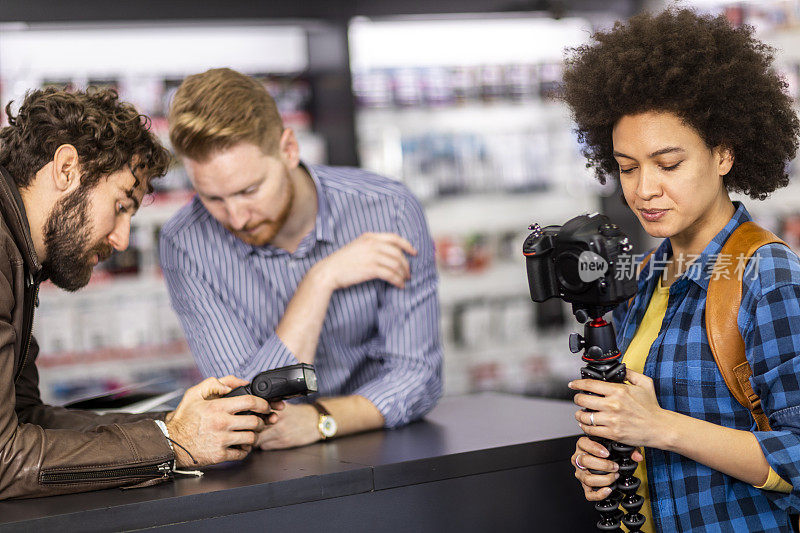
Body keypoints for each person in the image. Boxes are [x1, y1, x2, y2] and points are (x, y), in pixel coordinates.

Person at [561, 8, 800, 532]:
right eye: (626, 167)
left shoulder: (767, 274)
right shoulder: (644, 276)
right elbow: (637, 430)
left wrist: (659, 427)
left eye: (668, 164)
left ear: (723, 154)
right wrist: (601, 461)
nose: (644, 188)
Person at [0, 87, 279, 500]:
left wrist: (181, 425)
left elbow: (26, 422)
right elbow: (6, 459)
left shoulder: (18, 258)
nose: (121, 239)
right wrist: (172, 443)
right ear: (66, 168)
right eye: (121, 204)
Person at [160, 68, 442, 449]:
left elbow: (417, 375)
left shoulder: (389, 209)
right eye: (212, 198)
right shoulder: (186, 242)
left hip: (389, 448)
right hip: (265, 474)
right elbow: (244, 407)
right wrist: (319, 281)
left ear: (289, 149)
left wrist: (319, 420)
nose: (237, 217)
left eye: (250, 190)